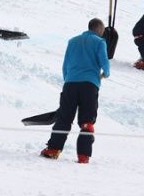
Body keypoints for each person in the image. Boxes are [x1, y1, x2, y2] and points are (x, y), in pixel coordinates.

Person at [40, 18, 109, 163]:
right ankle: (83, 156)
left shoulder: (72, 41)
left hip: (70, 84)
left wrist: (68, 79)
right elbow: (105, 63)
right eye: (102, 31)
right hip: (89, 85)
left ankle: (53, 149)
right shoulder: (100, 42)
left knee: (64, 118)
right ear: (99, 29)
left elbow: (65, 65)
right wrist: (105, 74)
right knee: (86, 121)